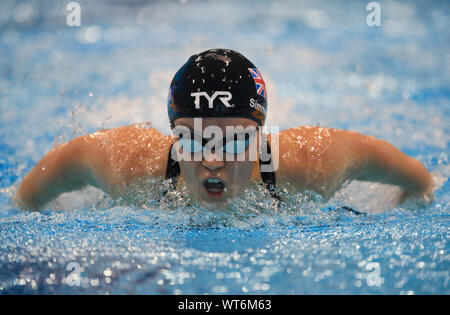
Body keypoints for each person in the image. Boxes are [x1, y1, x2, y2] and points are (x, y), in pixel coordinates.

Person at [15, 48, 434, 210]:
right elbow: (33, 191)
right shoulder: (129, 164)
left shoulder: (310, 163)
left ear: (260, 134)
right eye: (193, 140)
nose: (212, 159)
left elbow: (417, 179)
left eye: (234, 140)